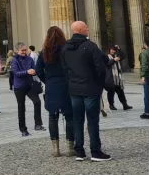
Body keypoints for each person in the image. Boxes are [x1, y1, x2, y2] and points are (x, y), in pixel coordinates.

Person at [60, 21, 112, 162]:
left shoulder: (65, 48)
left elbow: (64, 69)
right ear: (82, 30)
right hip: (90, 88)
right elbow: (100, 68)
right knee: (92, 121)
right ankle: (95, 152)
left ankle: (79, 152)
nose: (88, 29)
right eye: (86, 28)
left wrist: (70, 83)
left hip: (74, 89)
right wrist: (99, 83)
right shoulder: (90, 47)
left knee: (77, 120)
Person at [36, 26, 74, 157]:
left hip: (52, 86)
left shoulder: (44, 52)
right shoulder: (66, 50)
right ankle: (70, 146)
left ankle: (55, 149)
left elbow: (39, 71)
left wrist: (48, 81)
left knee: (53, 116)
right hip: (66, 85)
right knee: (69, 116)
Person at [10, 42, 43, 136]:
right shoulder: (14, 60)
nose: (24, 52)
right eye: (22, 50)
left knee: (37, 102)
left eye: (25, 50)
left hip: (29, 85)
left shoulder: (30, 59)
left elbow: (34, 69)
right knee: (21, 108)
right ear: (17, 51)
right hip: (19, 87)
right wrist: (27, 72)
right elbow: (16, 73)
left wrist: (34, 72)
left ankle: (38, 124)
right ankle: (23, 129)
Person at [105, 46, 132, 111]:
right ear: (109, 50)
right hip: (110, 77)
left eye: (114, 50)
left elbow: (123, 56)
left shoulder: (116, 56)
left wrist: (119, 49)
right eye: (112, 49)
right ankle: (111, 105)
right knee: (111, 92)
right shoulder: (106, 57)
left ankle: (125, 105)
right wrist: (114, 60)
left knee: (120, 91)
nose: (113, 51)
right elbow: (107, 64)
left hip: (117, 78)